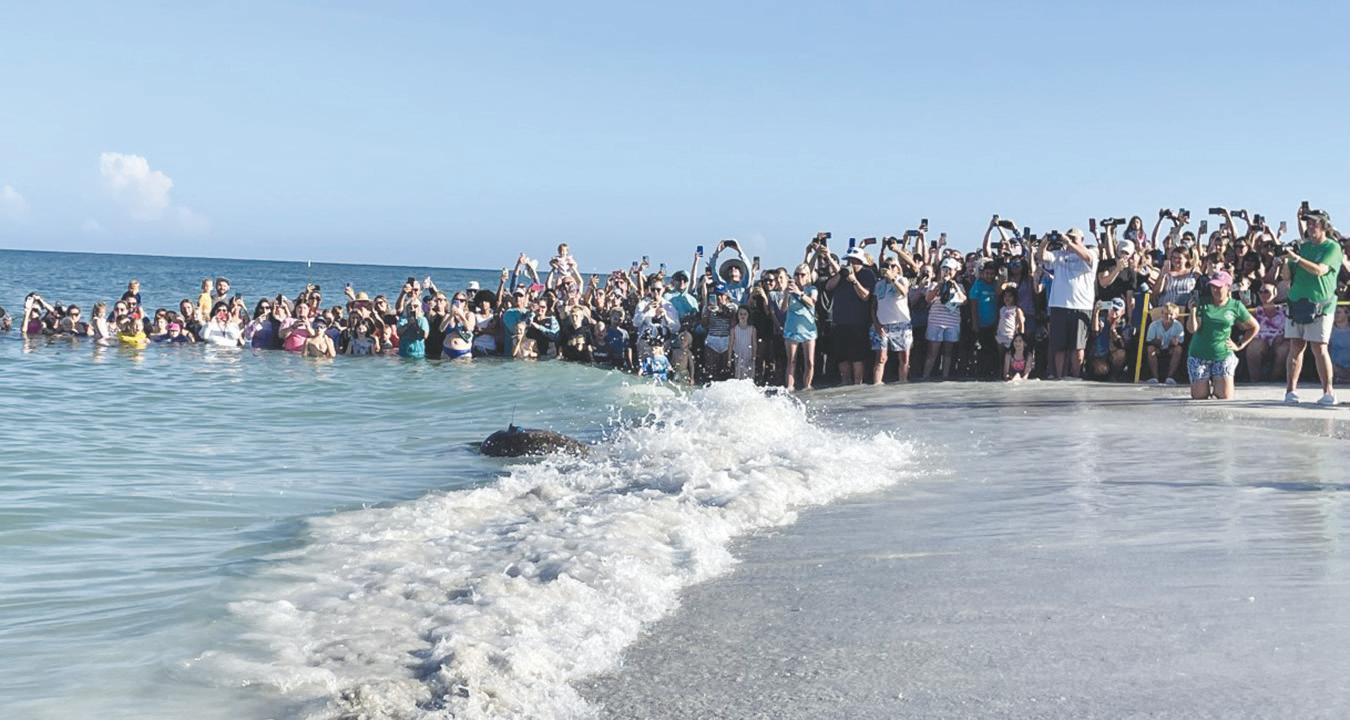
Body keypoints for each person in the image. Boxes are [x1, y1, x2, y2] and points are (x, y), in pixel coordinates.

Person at [1282, 208, 1344, 405]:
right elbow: (1286, 277)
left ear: (1324, 226)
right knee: (1295, 347)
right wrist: (1285, 261)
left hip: (1320, 306)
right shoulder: (1303, 247)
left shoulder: (1332, 247)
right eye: (1308, 223)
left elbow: (1320, 270)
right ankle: (1290, 391)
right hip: (1296, 303)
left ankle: (1328, 392)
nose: (1310, 227)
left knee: (1319, 348)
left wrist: (1297, 258)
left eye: (1314, 223)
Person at [1185, 271, 1259, 400]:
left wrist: (1240, 345)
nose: (1215, 290)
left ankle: (1220, 382)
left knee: (1225, 396)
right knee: (1199, 396)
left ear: (1228, 287)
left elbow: (1254, 327)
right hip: (1199, 354)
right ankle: (1203, 383)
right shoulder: (1202, 303)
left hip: (1222, 354)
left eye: (1219, 287)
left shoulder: (1235, 305)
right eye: (1213, 286)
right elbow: (1192, 329)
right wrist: (1193, 311)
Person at [1042, 228, 1098, 379]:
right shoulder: (1059, 254)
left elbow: (1087, 257)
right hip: (1059, 306)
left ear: (1082, 240)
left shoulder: (1091, 253)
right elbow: (1041, 256)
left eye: (1074, 238)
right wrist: (1045, 241)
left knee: (1078, 347)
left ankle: (1076, 376)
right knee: (1059, 347)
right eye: (1069, 238)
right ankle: (1059, 376)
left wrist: (1070, 243)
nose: (1070, 241)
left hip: (1081, 306)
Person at [826, 247, 876, 384]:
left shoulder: (867, 274)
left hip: (858, 323)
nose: (851, 263)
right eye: (849, 260)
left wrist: (854, 281)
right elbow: (828, 287)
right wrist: (840, 274)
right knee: (842, 358)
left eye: (854, 261)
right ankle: (845, 383)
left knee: (857, 357)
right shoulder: (841, 274)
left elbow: (865, 296)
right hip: (839, 323)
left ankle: (857, 384)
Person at [870, 254, 913, 384]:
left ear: (898, 268)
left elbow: (904, 292)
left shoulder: (902, 280)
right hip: (882, 325)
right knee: (881, 358)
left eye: (892, 266)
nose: (889, 268)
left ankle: (903, 383)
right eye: (886, 266)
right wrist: (876, 324)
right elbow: (873, 306)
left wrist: (893, 279)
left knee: (904, 358)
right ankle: (877, 385)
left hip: (901, 324)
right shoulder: (879, 284)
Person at [922, 258, 964, 380]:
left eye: (950, 270)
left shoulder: (959, 286)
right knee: (932, 352)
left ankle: (945, 377)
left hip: (952, 323)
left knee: (948, 352)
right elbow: (928, 299)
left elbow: (964, 301)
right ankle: (925, 377)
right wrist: (939, 286)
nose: (947, 272)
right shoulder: (934, 284)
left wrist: (955, 287)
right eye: (945, 269)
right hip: (936, 322)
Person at [781, 263, 818, 392]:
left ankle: (807, 386)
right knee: (791, 361)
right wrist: (787, 294)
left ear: (807, 276)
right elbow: (783, 309)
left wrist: (799, 293)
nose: (799, 277)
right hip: (792, 329)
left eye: (802, 274)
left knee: (810, 362)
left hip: (808, 330)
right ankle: (790, 387)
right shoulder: (790, 290)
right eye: (796, 274)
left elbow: (812, 303)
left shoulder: (812, 289)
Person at [1246, 284, 1289, 383]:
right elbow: (1242, 323)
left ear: (1275, 293)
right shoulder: (1254, 311)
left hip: (1280, 340)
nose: (1263, 294)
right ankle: (1255, 381)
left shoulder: (1284, 309)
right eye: (1260, 292)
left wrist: (1283, 337)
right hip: (1260, 340)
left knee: (1284, 349)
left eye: (1266, 292)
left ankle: (1274, 380)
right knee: (1254, 346)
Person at [1144, 303, 1185, 385]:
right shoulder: (1154, 325)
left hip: (1170, 349)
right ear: (1162, 314)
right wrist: (1157, 341)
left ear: (1176, 315)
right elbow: (1149, 341)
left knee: (1178, 349)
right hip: (1158, 348)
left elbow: (1180, 342)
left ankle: (1170, 377)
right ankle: (1155, 377)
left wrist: (1174, 342)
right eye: (1165, 314)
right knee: (1150, 349)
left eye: (1171, 314)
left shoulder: (1178, 326)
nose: (1168, 316)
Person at [729, 306, 757, 380]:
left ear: (748, 315)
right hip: (738, 355)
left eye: (745, 314)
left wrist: (754, 357)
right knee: (738, 376)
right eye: (741, 314)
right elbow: (731, 344)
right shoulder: (734, 329)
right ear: (737, 316)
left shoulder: (752, 329)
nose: (743, 316)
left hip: (749, 356)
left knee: (749, 377)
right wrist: (729, 358)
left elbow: (754, 343)